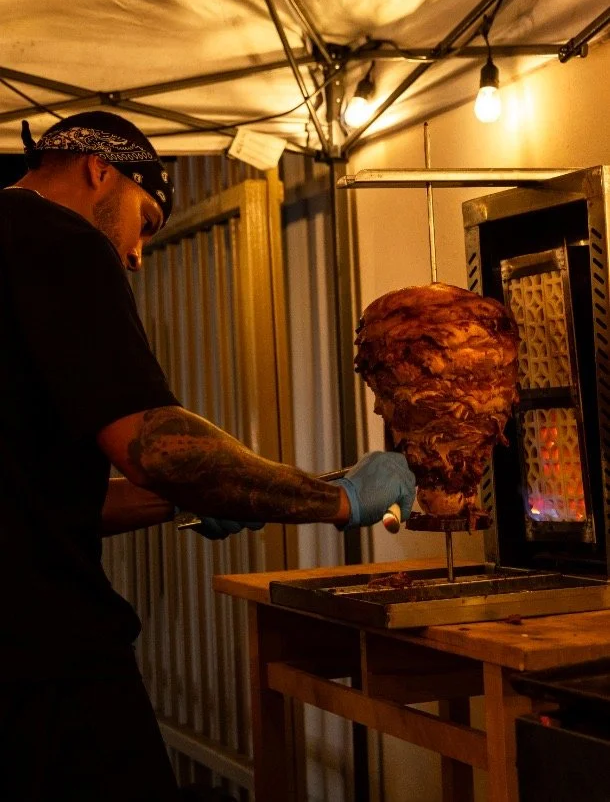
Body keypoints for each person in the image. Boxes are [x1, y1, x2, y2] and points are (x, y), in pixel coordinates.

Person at [0, 111, 416, 802]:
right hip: (41, 657)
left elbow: (37, 498)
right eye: (146, 221)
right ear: (99, 170)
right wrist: (338, 499)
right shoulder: (59, 239)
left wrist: (188, 497)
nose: (137, 255)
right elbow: (157, 449)